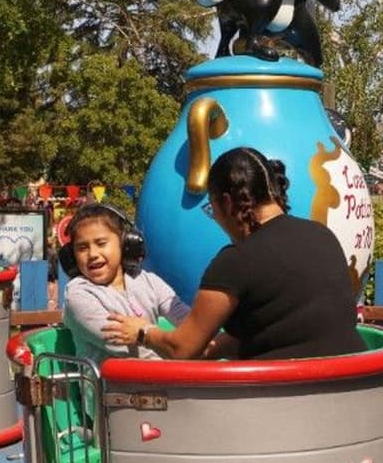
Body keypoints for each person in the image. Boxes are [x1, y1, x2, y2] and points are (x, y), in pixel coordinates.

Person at [103, 147, 362, 362]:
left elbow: (181, 349)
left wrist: (143, 332)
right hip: (352, 384)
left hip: (284, 395)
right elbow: (283, 328)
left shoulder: (236, 261)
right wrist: (212, 349)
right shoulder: (322, 235)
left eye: (212, 209)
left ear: (227, 202)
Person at [61, 204, 189, 361]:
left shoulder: (149, 281)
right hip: (110, 378)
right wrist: (180, 351)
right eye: (82, 248)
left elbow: (188, 321)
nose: (92, 254)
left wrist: (205, 342)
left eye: (101, 243)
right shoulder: (78, 295)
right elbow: (131, 350)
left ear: (125, 244)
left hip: (161, 373)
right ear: (72, 256)